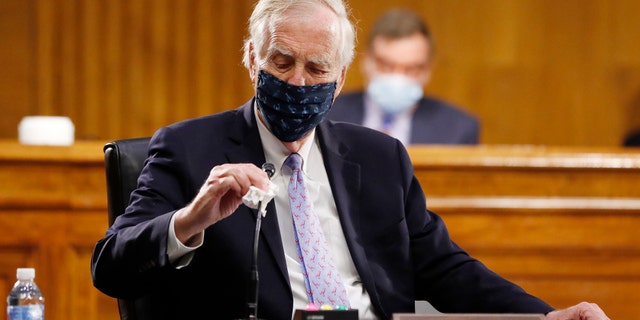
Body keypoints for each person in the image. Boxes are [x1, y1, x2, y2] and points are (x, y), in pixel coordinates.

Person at [90, 0, 609, 319]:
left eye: (317, 68)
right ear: (251, 57)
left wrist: (546, 317)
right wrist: (190, 220)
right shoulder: (187, 149)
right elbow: (109, 267)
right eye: (281, 61)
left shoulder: (380, 157)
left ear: (340, 79)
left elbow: (445, 268)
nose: (296, 81)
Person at [328, 8, 479, 145]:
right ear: (366, 61)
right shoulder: (327, 115)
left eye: (412, 69)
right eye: (386, 66)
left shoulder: (458, 128)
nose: (397, 78)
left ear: (428, 71)